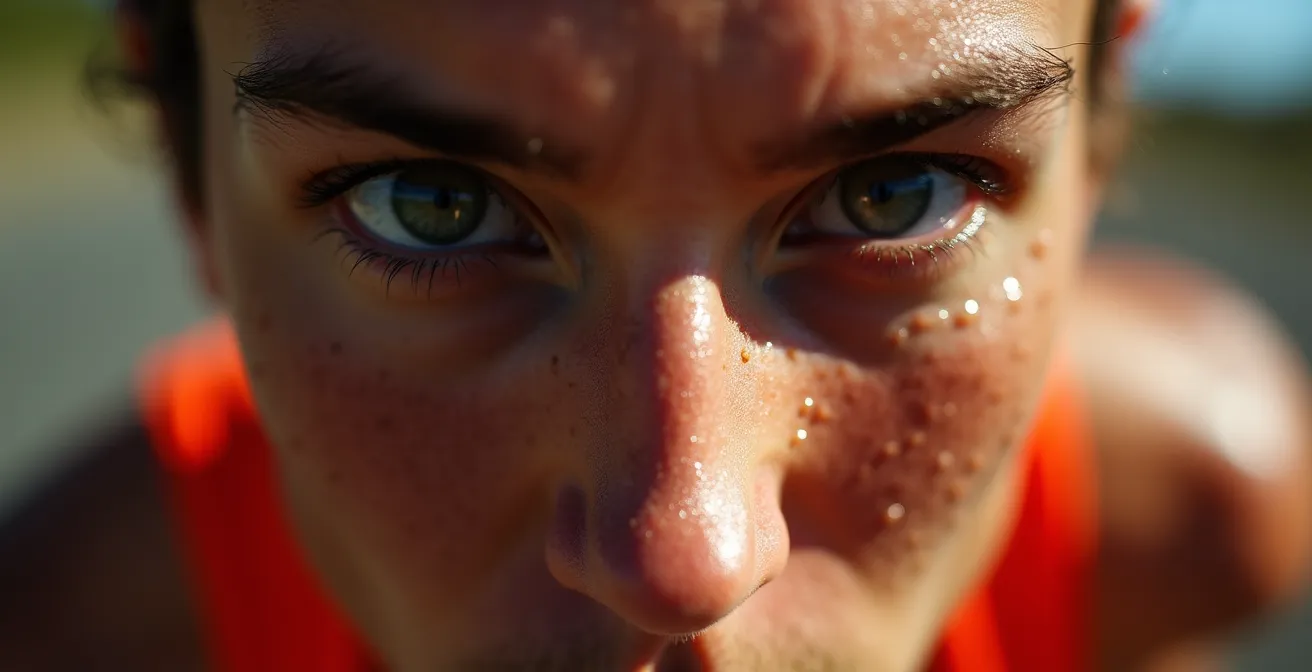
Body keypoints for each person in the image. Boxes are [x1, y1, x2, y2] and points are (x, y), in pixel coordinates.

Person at [1, 0, 1309, 670]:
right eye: (434, 207)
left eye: (893, 194)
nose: (687, 560)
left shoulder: (1184, 518)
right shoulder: (82, 629)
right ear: (187, 166)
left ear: (1097, 142)